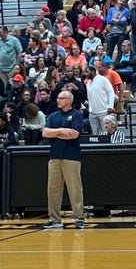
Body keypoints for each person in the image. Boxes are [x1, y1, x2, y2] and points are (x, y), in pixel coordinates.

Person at [42, 90, 85, 230]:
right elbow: (45, 133)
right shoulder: (53, 115)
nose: (58, 100)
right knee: (53, 189)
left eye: (61, 98)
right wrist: (61, 131)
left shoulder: (77, 115)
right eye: (58, 98)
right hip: (54, 156)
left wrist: (54, 133)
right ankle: (54, 219)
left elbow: (74, 135)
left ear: (69, 100)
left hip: (71, 156)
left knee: (74, 188)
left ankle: (78, 218)